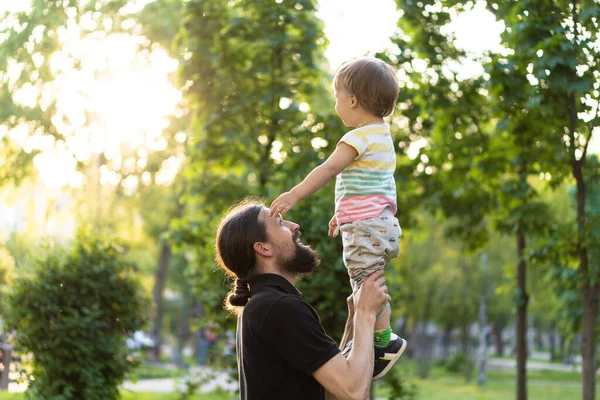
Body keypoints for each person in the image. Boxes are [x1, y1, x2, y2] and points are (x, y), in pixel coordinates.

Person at [270, 56, 406, 379]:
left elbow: (329, 169)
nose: (336, 105)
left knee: (366, 286)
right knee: (369, 280)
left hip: (365, 226)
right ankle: (377, 341)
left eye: (337, 97)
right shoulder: (383, 138)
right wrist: (341, 214)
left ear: (354, 100)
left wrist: (294, 194)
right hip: (382, 222)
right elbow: (368, 186)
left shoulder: (357, 138)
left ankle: (383, 342)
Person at [215, 199, 391, 400]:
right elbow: (353, 392)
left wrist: (355, 319)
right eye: (281, 223)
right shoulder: (278, 308)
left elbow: (334, 390)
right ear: (263, 248)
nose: (294, 226)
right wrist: (366, 314)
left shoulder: (264, 305)